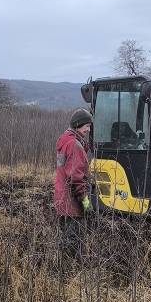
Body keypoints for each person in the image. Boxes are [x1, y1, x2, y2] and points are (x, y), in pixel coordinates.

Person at [55, 108, 93, 255]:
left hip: (62, 197)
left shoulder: (64, 141)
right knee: (72, 243)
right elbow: (76, 179)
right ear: (78, 125)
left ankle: (62, 270)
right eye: (87, 126)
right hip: (72, 202)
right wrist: (86, 202)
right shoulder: (74, 145)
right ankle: (65, 274)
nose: (89, 130)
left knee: (66, 239)